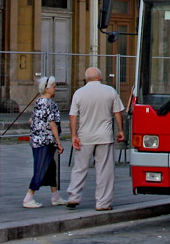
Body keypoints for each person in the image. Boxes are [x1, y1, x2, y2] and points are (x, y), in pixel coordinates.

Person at [67, 67, 126, 211]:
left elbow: (73, 116)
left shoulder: (79, 93)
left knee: (79, 167)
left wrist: (74, 134)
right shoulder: (110, 91)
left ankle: (73, 196)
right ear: (100, 78)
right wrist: (120, 130)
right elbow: (117, 113)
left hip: (85, 135)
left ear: (86, 79)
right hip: (104, 136)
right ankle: (103, 203)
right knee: (105, 170)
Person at [24, 76, 66, 209]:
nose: (56, 89)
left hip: (37, 139)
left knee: (50, 167)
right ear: (47, 89)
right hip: (45, 140)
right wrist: (58, 142)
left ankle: (55, 196)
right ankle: (28, 197)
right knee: (41, 168)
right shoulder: (49, 103)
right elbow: (52, 123)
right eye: (54, 87)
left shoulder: (39, 102)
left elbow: (32, 120)